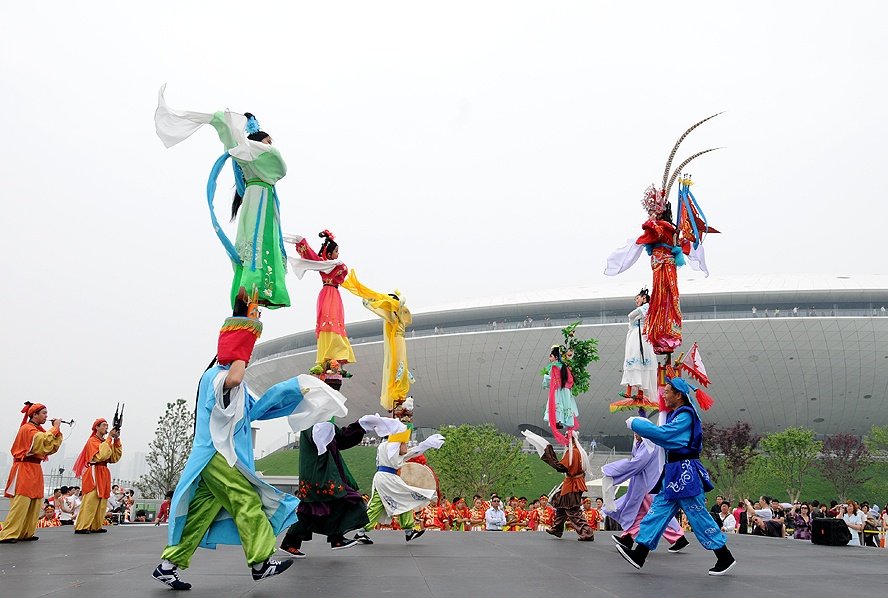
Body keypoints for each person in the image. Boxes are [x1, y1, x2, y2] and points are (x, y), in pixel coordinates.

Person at [152, 291, 346, 590]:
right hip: (216, 455)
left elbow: (259, 408)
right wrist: (241, 346)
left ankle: (168, 565)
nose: (249, 356)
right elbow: (235, 378)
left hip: (219, 456)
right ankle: (260, 562)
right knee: (246, 499)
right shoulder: (216, 377)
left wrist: (301, 387)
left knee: (202, 512)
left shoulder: (229, 383)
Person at [155, 88, 293, 309]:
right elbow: (278, 163)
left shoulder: (248, 153)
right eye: (267, 141)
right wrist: (232, 126)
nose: (270, 145)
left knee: (257, 241)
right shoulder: (252, 153)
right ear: (259, 142)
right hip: (259, 199)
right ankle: (254, 287)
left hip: (259, 198)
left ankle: (258, 289)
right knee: (258, 240)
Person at [615, 377, 736, 576]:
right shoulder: (679, 415)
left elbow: (664, 435)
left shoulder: (686, 415)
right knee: (657, 513)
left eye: (667, 391)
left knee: (698, 516)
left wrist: (637, 423)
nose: (663, 395)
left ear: (679, 395)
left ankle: (724, 556)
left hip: (685, 473)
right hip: (675, 473)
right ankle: (639, 554)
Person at [281, 414, 402, 556]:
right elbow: (319, 440)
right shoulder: (312, 424)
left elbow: (342, 439)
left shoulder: (323, 423)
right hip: (319, 474)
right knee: (348, 500)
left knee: (311, 511)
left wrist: (361, 425)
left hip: (323, 474)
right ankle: (336, 539)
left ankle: (291, 542)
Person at [601, 429, 688, 553]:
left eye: (637, 432)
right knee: (638, 512)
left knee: (655, 513)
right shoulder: (645, 443)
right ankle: (628, 538)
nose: (635, 435)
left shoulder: (649, 445)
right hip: (643, 485)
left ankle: (678, 536)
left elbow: (637, 464)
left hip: (648, 486)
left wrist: (611, 470)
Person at [341, 271, 414, 410]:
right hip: (396, 341)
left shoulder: (398, 314)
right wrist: (371, 302)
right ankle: (397, 393)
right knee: (397, 364)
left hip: (399, 341)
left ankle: (399, 393)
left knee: (400, 365)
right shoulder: (392, 317)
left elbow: (404, 311)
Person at [290, 231, 356, 369]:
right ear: (330, 254)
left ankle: (337, 354)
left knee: (335, 320)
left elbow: (342, 270)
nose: (338, 254)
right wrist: (301, 242)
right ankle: (329, 355)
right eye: (336, 251)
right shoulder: (326, 265)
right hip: (328, 294)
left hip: (333, 294)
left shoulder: (334, 264)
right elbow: (313, 258)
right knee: (327, 320)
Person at [362, 434, 445, 542]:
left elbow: (411, 452)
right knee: (387, 502)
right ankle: (361, 531)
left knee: (403, 500)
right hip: (386, 479)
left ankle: (408, 531)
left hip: (389, 479)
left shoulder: (391, 450)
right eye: (403, 442)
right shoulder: (387, 447)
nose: (405, 444)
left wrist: (426, 444)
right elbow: (405, 451)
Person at [0, 403, 64, 543]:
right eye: (44, 413)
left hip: (35, 468)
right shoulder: (27, 429)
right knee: (21, 502)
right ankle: (8, 534)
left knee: (35, 502)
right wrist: (55, 428)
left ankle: (26, 532)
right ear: (34, 414)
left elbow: (49, 447)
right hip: (24, 467)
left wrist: (56, 432)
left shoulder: (38, 430)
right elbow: (41, 440)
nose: (46, 416)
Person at [535, 431, 594, 541]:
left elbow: (561, 467)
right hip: (573, 483)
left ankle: (586, 532)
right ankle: (557, 528)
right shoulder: (578, 451)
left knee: (572, 510)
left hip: (572, 484)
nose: (565, 441)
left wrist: (549, 456)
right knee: (561, 505)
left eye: (566, 439)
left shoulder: (573, 452)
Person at [73, 418, 123, 534]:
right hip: (94, 471)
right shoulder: (92, 441)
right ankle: (82, 526)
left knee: (102, 500)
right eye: (104, 425)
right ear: (97, 427)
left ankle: (96, 525)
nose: (106, 427)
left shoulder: (105, 442)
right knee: (91, 499)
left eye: (107, 425)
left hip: (103, 471)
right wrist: (109, 438)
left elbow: (114, 458)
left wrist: (116, 440)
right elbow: (101, 455)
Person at [621, 289, 658, 399]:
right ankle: (630, 391)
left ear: (644, 298)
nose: (636, 301)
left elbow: (631, 315)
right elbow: (632, 316)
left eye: (637, 298)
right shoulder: (643, 309)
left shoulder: (646, 307)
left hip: (641, 335)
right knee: (633, 360)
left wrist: (635, 317)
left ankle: (640, 393)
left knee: (639, 359)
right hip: (635, 335)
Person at [542, 346, 578, 432]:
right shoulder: (564, 367)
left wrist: (545, 377)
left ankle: (558, 421)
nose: (550, 358)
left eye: (551, 356)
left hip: (558, 390)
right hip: (565, 390)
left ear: (556, 357)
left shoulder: (554, 366)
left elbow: (552, 379)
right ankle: (562, 421)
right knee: (564, 405)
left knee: (557, 404)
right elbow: (570, 380)